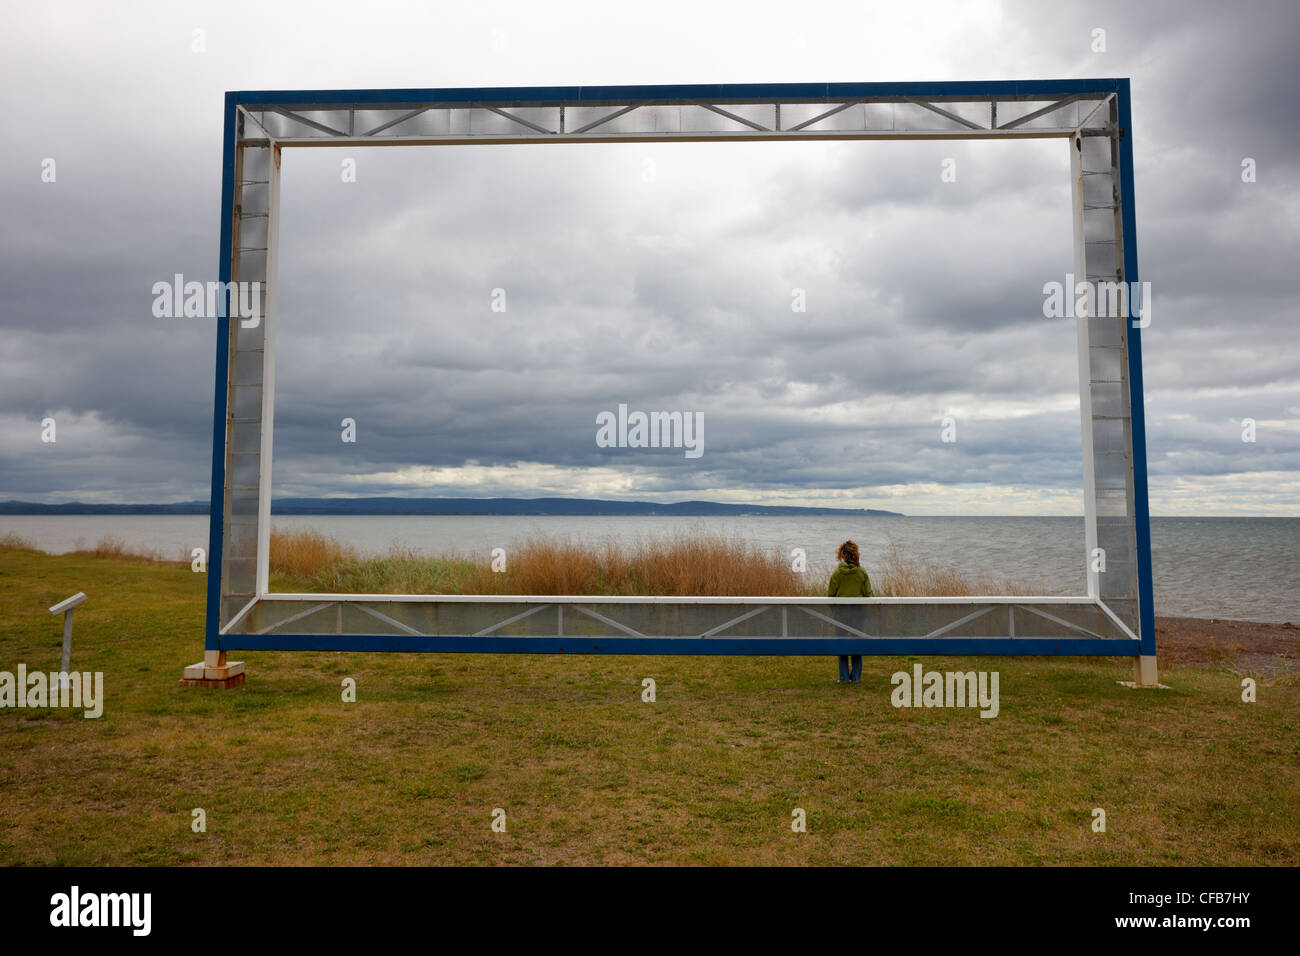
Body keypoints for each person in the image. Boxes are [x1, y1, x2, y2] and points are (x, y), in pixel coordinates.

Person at [827, 540, 872, 683]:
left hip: (840, 615)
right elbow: (868, 595)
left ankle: (844, 677)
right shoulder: (862, 573)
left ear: (841, 555)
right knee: (857, 645)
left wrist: (834, 612)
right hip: (858, 615)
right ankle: (856, 677)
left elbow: (830, 596)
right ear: (856, 554)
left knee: (842, 646)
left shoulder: (837, 574)